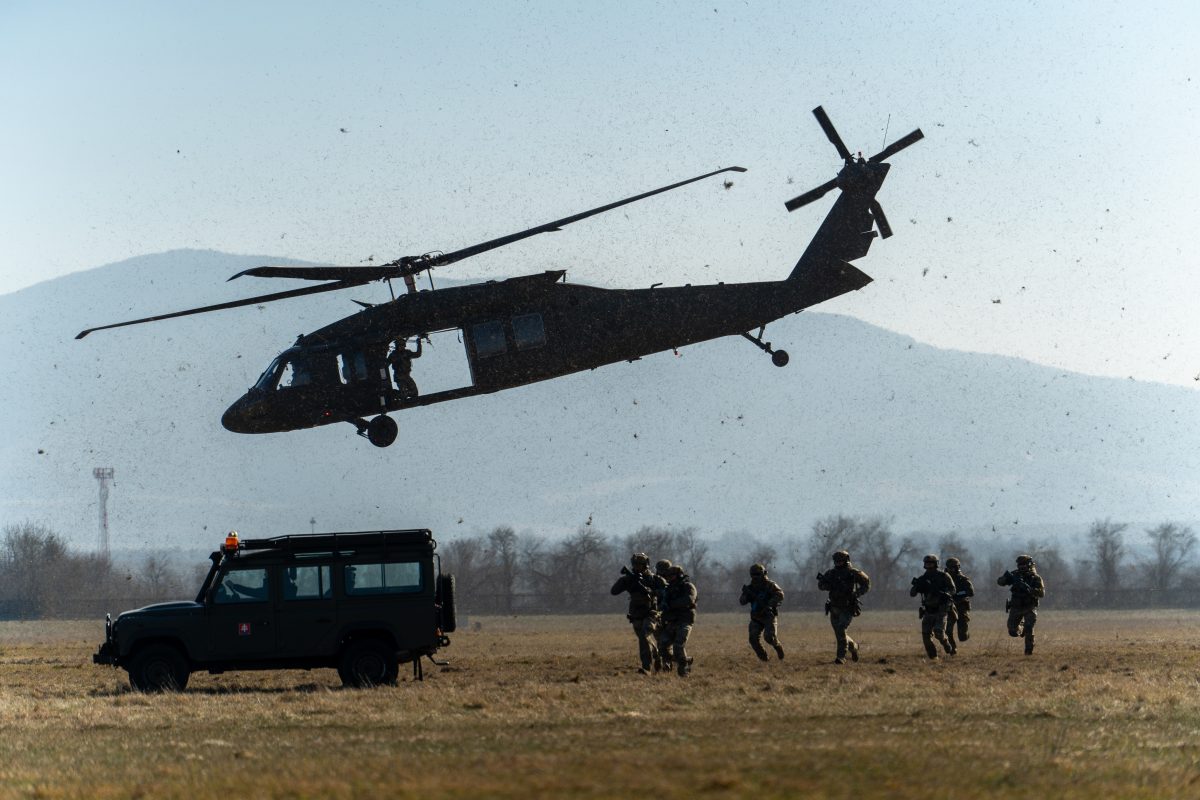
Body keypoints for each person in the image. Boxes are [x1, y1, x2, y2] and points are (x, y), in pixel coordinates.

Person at [610, 553, 662, 674]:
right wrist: (626, 581)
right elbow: (614, 591)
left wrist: (652, 591)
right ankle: (651, 661)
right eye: (635, 565)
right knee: (643, 640)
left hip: (651, 613)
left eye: (640, 565)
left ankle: (650, 662)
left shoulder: (654, 579)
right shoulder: (629, 579)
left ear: (646, 565)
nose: (638, 567)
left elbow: (665, 591)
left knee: (645, 634)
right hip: (637, 614)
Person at [817, 550, 870, 664]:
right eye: (836, 561)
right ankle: (854, 647)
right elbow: (820, 586)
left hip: (848, 607)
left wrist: (857, 593)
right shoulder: (831, 573)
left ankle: (841, 657)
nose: (838, 563)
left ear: (846, 560)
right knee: (840, 634)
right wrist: (827, 585)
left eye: (840, 561)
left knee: (841, 630)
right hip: (834, 607)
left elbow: (866, 583)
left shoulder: (853, 573)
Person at [910, 554, 957, 659]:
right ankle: (933, 657)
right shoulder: (923, 578)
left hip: (941, 609)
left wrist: (946, 594)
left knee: (939, 632)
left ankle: (946, 643)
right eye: (926, 564)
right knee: (926, 635)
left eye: (930, 563)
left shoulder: (944, 576)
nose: (928, 566)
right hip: (928, 610)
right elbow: (912, 593)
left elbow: (953, 589)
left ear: (935, 564)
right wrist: (917, 586)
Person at [998, 554, 1046, 655]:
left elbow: (1041, 593)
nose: (1021, 567)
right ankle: (1020, 627)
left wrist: (1031, 590)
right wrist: (1006, 579)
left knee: (1029, 629)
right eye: (1019, 565)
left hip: (1030, 607)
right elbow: (1000, 582)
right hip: (1016, 607)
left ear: (1029, 565)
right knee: (1012, 631)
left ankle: (1028, 652)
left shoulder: (1036, 578)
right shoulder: (1015, 575)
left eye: (1024, 565)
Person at [739, 563, 785, 661]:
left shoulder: (770, 585)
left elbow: (780, 594)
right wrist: (747, 596)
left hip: (769, 615)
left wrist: (770, 603)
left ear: (763, 574)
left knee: (769, 637)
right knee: (753, 639)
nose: (756, 578)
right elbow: (742, 601)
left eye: (758, 575)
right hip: (756, 617)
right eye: (753, 575)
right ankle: (764, 659)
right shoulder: (750, 588)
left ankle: (778, 647)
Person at [661, 565, 698, 677]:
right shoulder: (668, 589)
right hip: (672, 622)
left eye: (672, 575)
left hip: (685, 621)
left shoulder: (688, 586)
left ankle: (683, 671)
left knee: (678, 646)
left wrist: (671, 605)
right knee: (663, 647)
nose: (669, 578)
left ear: (679, 575)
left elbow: (689, 599)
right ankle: (685, 660)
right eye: (668, 576)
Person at [944, 557, 975, 649]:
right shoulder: (943, 578)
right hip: (949, 607)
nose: (952, 570)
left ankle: (965, 634)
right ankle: (952, 649)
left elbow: (971, 592)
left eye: (954, 567)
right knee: (948, 631)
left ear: (958, 567)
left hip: (961, 607)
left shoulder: (963, 579)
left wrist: (958, 594)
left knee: (962, 636)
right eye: (950, 568)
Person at [653, 558, 674, 672]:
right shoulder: (655, 582)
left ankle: (667, 663)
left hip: (671, 616)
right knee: (661, 641)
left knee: (666, 642)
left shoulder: (674, 582)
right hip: (658, 615)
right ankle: (662, 662)